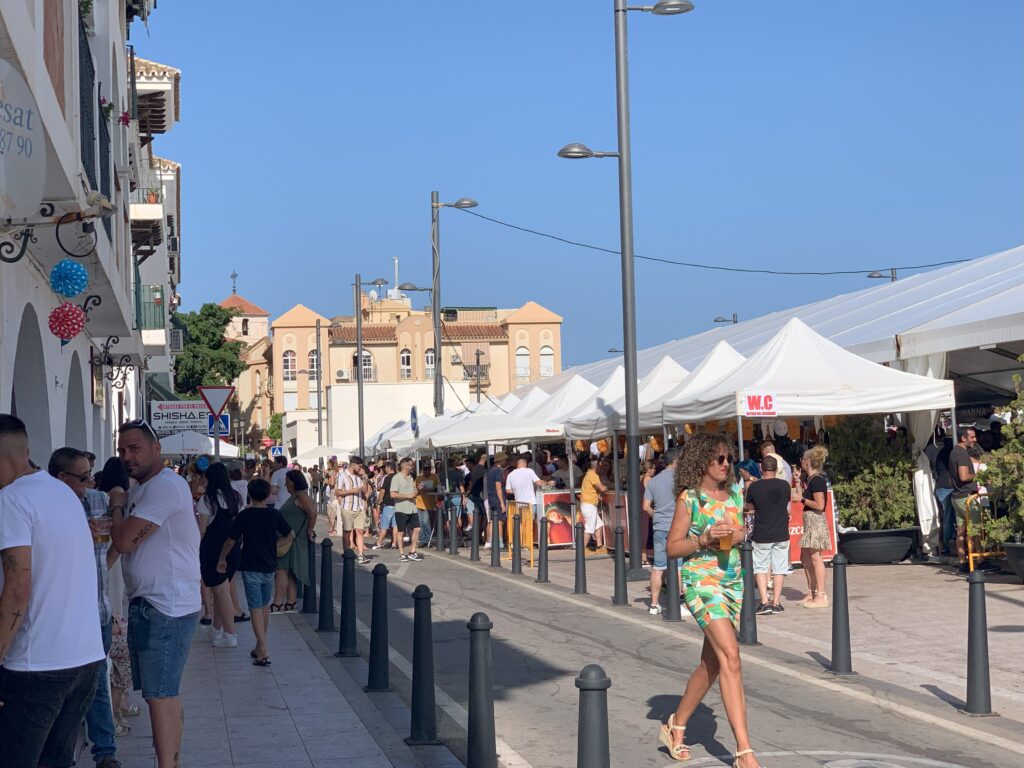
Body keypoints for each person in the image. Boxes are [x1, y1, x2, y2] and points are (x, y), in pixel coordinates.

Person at [0, 419, 106, 768]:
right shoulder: (63, 493)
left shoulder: (10, 500)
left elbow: (18, 588)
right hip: (84, 659)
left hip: (36, 665)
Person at [662, 433, 761, 768]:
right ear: (701, 461)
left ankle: (676, 723)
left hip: (732, 580)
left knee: (713, 664)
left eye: (728, 459)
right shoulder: (689, 499)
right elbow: (672, 547)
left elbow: (740, 532)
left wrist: (737, 534)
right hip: (701, 582)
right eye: (719, 459)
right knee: (731, 656)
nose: (725, 464)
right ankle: (744, 751)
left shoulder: (735, 493)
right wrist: (703, 538)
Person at [112, 419, 201, 768]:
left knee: (160, 696)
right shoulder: (146, 489)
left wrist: (117, 503)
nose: (127, 456)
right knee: (162, 694)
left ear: (156, 448)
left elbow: (122, 540)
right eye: (122, 451)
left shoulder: (164, 487)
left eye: (135, 448)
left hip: (166, 605)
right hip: (154, 602)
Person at [49, 447, 122, 768]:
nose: (89, 483)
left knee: (97, 683)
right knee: (63, 690)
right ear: (61, 478)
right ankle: (60, 753)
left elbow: (117, 539)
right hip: (62, 616)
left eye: (90, 475)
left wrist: (103, 567)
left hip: (98, 611)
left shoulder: (96, 501)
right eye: (82, 478)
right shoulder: (47, 508)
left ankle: (105, 752)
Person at [218, 478, 293, 667]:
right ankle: (260, 646)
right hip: (269, 565)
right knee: (264, 605)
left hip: (251, 564)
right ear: (268, 494)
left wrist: (222, 558)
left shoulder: (245, 515)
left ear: (249, 494)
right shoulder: (274, 514)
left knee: (254, 608)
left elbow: (230, 540)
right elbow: (290, 535)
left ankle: (263, 648)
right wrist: (274, 546)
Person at [197, 462, 241, 648]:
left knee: (221, 592)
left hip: (213, 549)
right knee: (221, 589)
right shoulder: (235, 497)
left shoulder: (207, 500)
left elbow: (202, 529)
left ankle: (230, 635)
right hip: (233, 547)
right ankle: (216, 630)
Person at [745, 455, 792, 615]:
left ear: (761, 468)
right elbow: (786, 501)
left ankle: (764, 601)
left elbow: (748, 505)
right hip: (781, 532)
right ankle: (777, 602)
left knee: (760, 567)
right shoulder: (785, 485)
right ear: (777, 469)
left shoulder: (754, 487)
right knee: (779, 568)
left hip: (762, 532)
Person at [642, 448, 679, 616]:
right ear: (676, 461)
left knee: (658, 567)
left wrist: (656, 516)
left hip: (659, 526)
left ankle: (654, 604)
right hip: (678, 527)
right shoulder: (681, 480)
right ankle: (677, 601)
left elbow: (645, 507)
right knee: (678, 565)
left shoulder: (653, 481)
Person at [273, 470, 316, 612]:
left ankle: (277, 602)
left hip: (291, 540)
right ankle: (291, 601)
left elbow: (312, 513)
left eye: (288, 480)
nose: (285, 483)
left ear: (294, 481)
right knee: (290, 571)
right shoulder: (296, 495)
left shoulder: (300, 495)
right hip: (290, 538)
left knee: (281, 570)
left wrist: (309, 530)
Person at [796, 446, 830, 608]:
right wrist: (797, 481)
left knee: (816, 558)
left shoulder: (817, 480)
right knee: (805, 558)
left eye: (803, 459)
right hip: (810, 521)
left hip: (815, 521)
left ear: (808, 461)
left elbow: (820, 505)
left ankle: (821, 595)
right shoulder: (810, 479)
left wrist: (802, 500)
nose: (801, 462)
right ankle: (812, 591)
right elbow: (800, 496)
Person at [949, 427, 979, 570]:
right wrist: (981, 476)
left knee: (961, 532)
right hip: (966, 497)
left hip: (957, 497)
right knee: (975, 531)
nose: (975, 440)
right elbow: (964, 476)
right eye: (972, 437)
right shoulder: (961, 454)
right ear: (963, 438)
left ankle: (963, 562)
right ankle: (978, 561)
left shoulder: (954, 452)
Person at [924, 430, 955, 556]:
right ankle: (947, 545)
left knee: (945, 517)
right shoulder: (949, 453)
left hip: (941, 486)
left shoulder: (941, 451)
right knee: (948, 517)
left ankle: (947, 544)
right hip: (946, 487)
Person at [336, 457, 370, 563]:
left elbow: (364, 490)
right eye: (359, 466)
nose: (360, 468)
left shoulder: (359, 476)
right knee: (347, 531)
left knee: (360, 531)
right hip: (347, 507)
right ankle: (347, 553)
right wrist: (351, 491)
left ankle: (360, 554)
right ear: (353, 465)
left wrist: (364, 479)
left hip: (359, 507)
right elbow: (338, 492)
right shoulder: (342, 475)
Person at [391, 458, 422, 561]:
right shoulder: (396, 478)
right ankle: (401, 553)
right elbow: (393, 494)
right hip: (401, 508)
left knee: (417, 529)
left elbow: (413, 492)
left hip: (412, 508)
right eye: (411, 465)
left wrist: (418, 489)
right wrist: (407, 496)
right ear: (405, 466)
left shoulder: (411, 478)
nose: (412, 467)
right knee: (401, 532)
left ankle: (412, 551)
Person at [505, 453, 543, 535]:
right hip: (530, 502)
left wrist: (516, 491)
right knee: (529, 523)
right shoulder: (529, 471)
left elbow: (508, 490)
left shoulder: (510, 475)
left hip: (518, 503)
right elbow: (539, 483)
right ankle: (527, 543)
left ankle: (521, 541)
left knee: (521, 522)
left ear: (517, 464)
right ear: (525, 464)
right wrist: (548, 483)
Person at [579, 459, 608, 550]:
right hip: (589, 505)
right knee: (589, 527)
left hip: (589, 505)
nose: (602, 467)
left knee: (598, 525)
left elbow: (594, 488)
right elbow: (602, 488)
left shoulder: (589, 473)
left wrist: (598, 493)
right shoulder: (593, 475)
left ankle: (599, 545)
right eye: (601, 465)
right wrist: (607, 487)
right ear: (597, 466)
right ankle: (582, 550)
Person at [414, 459, 440, 547]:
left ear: (430, 469)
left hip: (429, 503)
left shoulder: (434, 477)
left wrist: (432, 489)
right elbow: (414, 490)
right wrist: (418, 489)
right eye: (424, 470)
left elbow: (439, 487)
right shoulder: (419, 478)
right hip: (419, 502)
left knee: (426, 522)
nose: (426, 472)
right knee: (420, 522)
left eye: (428, 470)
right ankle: (422, 540)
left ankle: (429, 540)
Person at [372, 461, 398, 550]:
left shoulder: (387, 478)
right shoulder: (398, 477)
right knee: (395, 525)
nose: (384, 469)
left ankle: (379, 543)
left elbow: (382, 491)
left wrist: (378, 502)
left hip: (388, 504)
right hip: (397, 504)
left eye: (385, 467)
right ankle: (394, 543)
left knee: (384, 525)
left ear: (388, 467)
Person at [485, 453, 508, 548]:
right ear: (500, 460)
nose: (506, 461)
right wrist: (502, 503)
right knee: (499, 521)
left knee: (493, 519)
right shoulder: (498, 471)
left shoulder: (490, 471)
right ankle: (500, 542)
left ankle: (492, 541)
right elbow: (498, 487)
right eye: (505, 460)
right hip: (497, 498)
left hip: (491, 497)